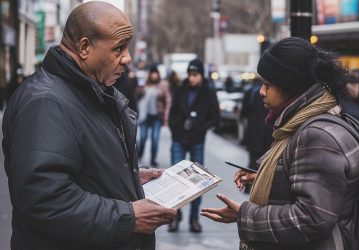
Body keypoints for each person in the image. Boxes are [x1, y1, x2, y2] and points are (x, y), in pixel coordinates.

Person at [2, 2, 176, 250]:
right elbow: (45, 200)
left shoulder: (91, 92)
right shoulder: (45, 103)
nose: (127, 58)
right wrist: (130, 216)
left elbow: (86, 169)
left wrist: (131, 178)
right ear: (84, 47)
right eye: (118, 49)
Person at [201, 37, 359, 249]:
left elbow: (312, 218)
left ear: (290, 86)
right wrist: (264, 176)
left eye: (268, 84)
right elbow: (315, 184)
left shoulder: (315, 135)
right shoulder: (307, 123)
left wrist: (244, 214)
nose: (261, 91)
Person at [168, 58, 220, 233]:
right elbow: (173, 111)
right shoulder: (181, 88)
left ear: (201, 75)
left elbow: (215, 117)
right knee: (175, 178)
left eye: (195, 74)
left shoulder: (208, 91)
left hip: (197, 140)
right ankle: (175, 217)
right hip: (179, 138)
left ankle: (194, 219)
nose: (191, 78)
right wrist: (176, 127)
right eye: (190, 74)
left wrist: (200, 128)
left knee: (198, 181)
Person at [240, 78, 273, 193]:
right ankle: (257, 187)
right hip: (267, 133)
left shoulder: (251, 92)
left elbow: (244, 113)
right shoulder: (268, 94)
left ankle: (249, 187)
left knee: (253, 160)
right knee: (264, 161)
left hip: (254, 132)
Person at [137, 65, 171, 166]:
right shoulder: (145, 84)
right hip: (145, 116)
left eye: (155, 73)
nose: (154, 75)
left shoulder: (162, 85)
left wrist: (166, 118)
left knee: (155, 139)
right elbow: (137, 97)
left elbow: (168, 100)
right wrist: (139, 90)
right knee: (142, 138)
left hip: (157, 116)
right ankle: (139, 155)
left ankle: (153, 159)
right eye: (152, 73)